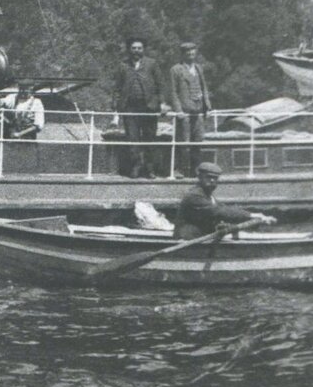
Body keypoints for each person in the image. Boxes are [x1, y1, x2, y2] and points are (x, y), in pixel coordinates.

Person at [112, 36, 171, 179]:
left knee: (149, 138)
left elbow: (161, 85)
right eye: (134, 48)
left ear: (143, 49)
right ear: (129, 50)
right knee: (132, 139)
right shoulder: (123, 65)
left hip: (149, 107)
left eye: (139, 48)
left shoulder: (152, 64)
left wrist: (162, 103)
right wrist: (115, 108)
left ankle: (149, 169)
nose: (136, 51)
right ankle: (136, 166)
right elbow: (117, 88)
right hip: (130, 108)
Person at [174, 160, 276, 240]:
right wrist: (251, 215)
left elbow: (224, 208)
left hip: (200, 237)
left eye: (215, 178)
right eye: (208, 177)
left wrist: (254, 216)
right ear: (200, 177)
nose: (212, 180)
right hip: (187, 240)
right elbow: (220, 212)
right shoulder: (194, 196)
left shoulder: (207, 195)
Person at [170, 40, 212, 177]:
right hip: (185, 111)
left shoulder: (198, 68)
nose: (190, 53)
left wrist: (207, 107)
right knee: (183, 142)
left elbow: (204, 88)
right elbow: (173, 92)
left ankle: (195, 170)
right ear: (182, 54)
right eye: (187, 51)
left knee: (198, 141)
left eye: (192, 51)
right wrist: (178, 110)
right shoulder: (176, 69)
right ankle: (181, 170)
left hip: (198, 111)